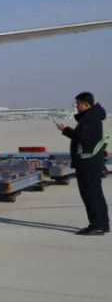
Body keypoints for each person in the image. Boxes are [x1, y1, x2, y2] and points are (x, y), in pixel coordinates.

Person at [55, 92, 108, 236]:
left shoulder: (90, 119)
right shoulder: (91, 117)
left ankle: (97, 225)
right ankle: (103, 223)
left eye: (78, 104)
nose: (76, 106)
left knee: (90, 194)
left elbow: (83, 138)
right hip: (91, 161)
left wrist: (66, 130)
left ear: (86, 104)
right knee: (96, 194)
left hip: (87, 162)